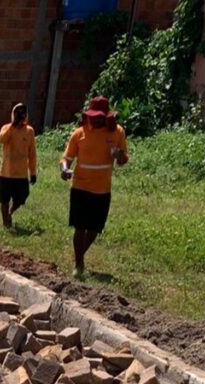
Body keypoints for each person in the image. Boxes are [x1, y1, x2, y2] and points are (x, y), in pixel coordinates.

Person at [60, 95, 129, 278]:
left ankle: (79, 255)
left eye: (100, 117)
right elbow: (66, 158)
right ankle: (79, 264)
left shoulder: (117, 132)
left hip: (102, 189)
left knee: (94, 229)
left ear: (107, 116)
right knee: (80, 227)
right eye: (93, 116)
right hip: (80, 186)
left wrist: (119, 155)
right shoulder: (79, 133)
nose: (96, 120)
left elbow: (123, 159)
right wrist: (64, 169)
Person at [0, 103, 37, 229]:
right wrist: (13, 126)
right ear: (13, 114)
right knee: (4, 200)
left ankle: (10, 212)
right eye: (17, 112)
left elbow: (32, 154)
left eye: (22, 112)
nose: (20, 115)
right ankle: (5, 223)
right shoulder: (6, 128)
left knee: (21, 198)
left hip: (21, 175)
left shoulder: (29, 131)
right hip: (6, 173)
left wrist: (33, 172)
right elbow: (1, 139)